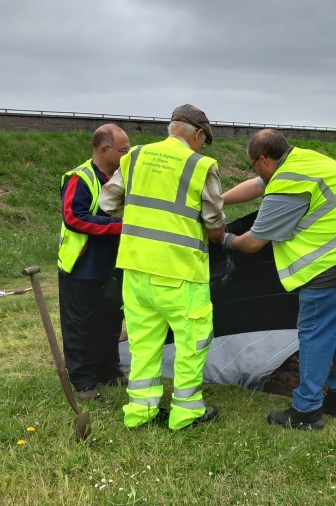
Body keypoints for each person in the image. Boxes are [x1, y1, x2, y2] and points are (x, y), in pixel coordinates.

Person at [221, 129, 336, 431]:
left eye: (253, 165)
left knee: (316, 335)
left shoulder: (287, 186)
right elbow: (259, 185)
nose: (257, 172)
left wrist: (223, 238)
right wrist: (218, 201)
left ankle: (306, 412)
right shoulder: (305, 160)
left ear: (263, 159)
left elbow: (253, 243)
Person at [99, 104, 226, 430]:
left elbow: (107, 202)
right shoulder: (201, 165)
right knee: (192, 345)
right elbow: (214, 223)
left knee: (142, 347)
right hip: (181, 275)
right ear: (198, 134)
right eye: (204, 140)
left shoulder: (135, 157)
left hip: (136, 271)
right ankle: (186, 414)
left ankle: (141, 413)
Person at [58, 124, 130, 401]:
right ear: (104, 149)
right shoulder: (81, 177)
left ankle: (108, 370)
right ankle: (84, 379)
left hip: (113, 265)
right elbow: (73, 218)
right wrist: (118, 226)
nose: (128, 154)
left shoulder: (123, 177)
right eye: (124, 150)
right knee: (80, 325)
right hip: (82, 266)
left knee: (111, 319)